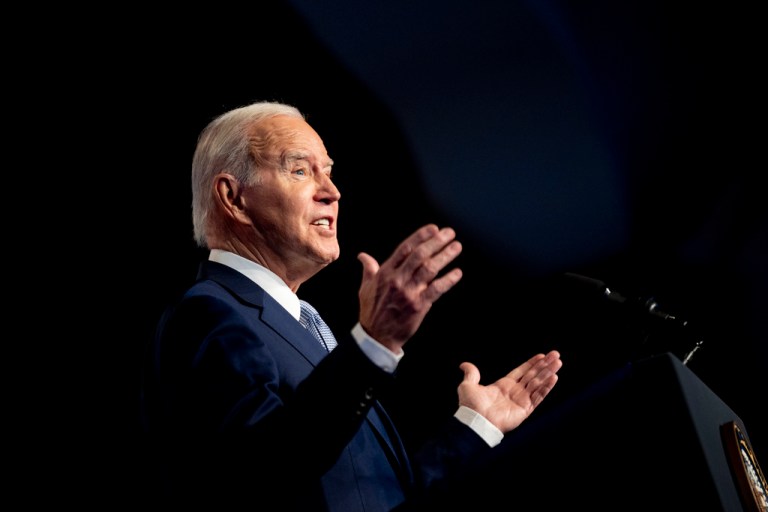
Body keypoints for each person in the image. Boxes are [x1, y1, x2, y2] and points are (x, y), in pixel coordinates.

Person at [139, 100, 563, 510]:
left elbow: (376, 496)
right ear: (233, 198)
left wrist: (475, 425)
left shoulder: (301, 326)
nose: (332, 192)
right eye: (300, 170)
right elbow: (265, 469)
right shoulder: (208, 314)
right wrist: (373, 345)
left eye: (328, 172)